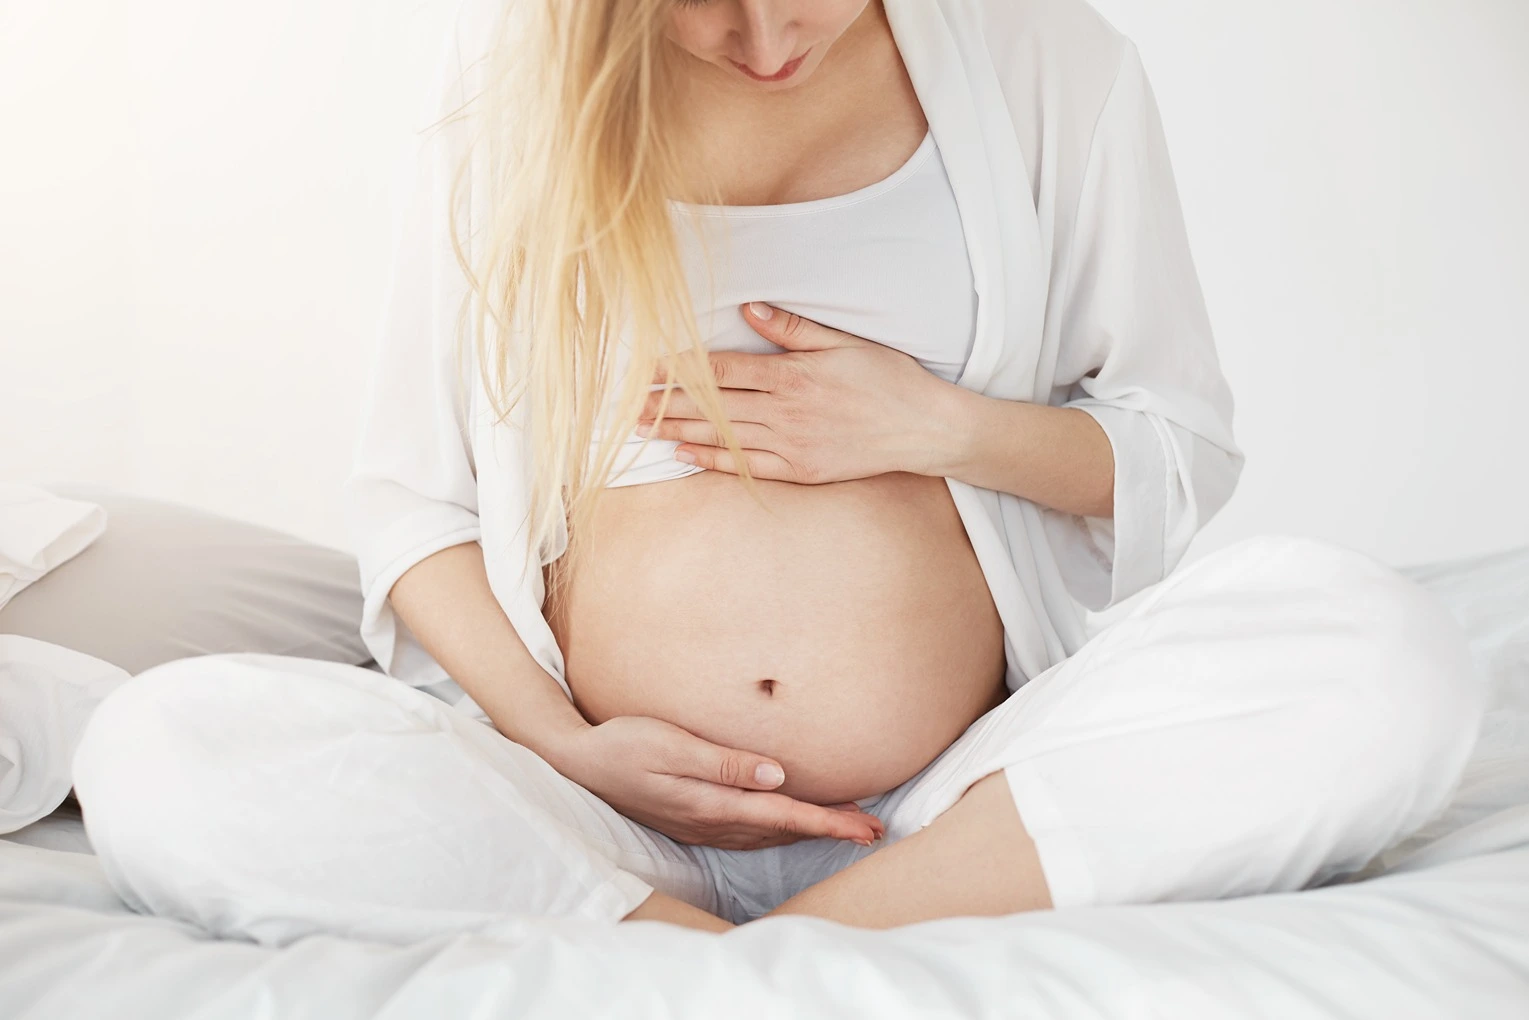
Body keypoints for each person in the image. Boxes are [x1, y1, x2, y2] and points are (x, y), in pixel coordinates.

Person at [73, 0, 1484, 943]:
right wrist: (569, 748)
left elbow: (1178, 450)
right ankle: (668, 937)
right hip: (601, 816)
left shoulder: (1048, 61)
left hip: (952, 801)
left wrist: (935, 427)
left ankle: (793, 954)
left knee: (1381, 653)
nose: (761, 41)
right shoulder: (508, 86)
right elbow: (408, 504)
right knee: (158, 747)